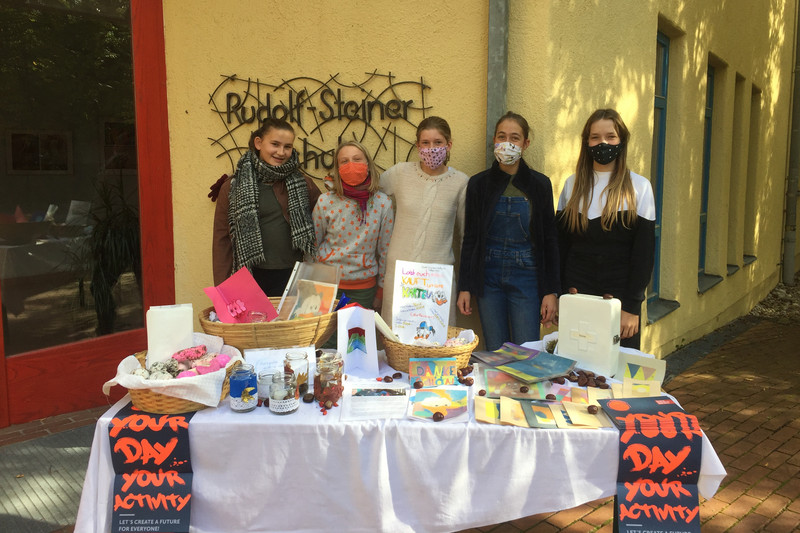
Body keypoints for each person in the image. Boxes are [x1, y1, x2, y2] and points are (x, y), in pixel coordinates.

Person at [457, 112, 560, 351]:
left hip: (528, 277)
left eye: (515, 138)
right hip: (488, 277)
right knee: (496, 352)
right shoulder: (479, 184)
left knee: (527, 352)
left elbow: (550, 241)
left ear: (526, 144)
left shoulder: (540, 184)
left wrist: (551, 291)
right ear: (494, 140)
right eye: (502, 136)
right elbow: (470, 238)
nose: (507, 143)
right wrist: (465, 286)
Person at [556, 108, 655, 349]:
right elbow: (560, 247)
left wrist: (632, 308)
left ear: (621, 140)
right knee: (577, 371)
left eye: (610, 137)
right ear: (586, 142)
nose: (603, 143)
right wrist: (559, 296)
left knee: (617, 376)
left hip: (620, 304)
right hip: (577, 296)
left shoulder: (639, 187)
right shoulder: (572, 185)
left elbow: (644, 254)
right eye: (595, 137)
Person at [211, 118, 322, 296]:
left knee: (289, 325)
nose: (281, 152)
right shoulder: (234, 186)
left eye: (287, 146)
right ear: (258, 143)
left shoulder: (302, 183)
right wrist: (223, 290)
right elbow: (222, 240)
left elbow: (324, 215)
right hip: (250, 276)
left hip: (292, 275)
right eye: (275, 144)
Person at [380, 116, 469, 327]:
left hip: (437, 279)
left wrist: (466, 285)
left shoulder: (461, 182)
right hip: (400, 275)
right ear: (417, 145)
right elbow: (370, 195)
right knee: (396, 344)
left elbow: (467, 236)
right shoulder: (399, 173)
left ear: (449, 145)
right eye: (425, 143)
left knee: (434, 345)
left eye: (438, 143)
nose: (432, 148)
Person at [313, 141, 394, 310]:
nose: (351, 165)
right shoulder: (325, 201)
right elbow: (313, 244)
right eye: (344, 161)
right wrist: (309, 281)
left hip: (364, 288)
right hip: (326, 285)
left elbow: (385, 251)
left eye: (357, 159)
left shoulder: (382, 203)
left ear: (368, 165)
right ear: (337, 168)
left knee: (356, 335)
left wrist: (381, 289)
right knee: (325, 336)